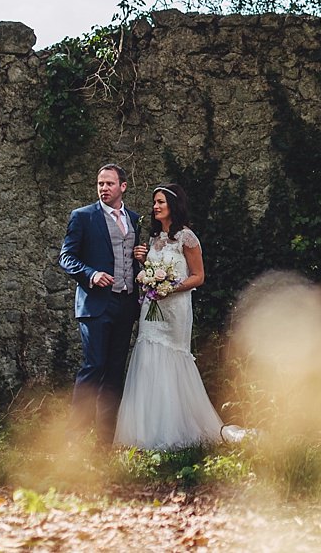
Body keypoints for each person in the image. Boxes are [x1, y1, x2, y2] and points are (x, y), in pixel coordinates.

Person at [115, 184, 225, 448]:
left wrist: (172, 288)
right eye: (154, 202)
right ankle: (145, 431)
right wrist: (144, 264)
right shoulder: (153, 239)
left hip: (175, 309)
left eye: (161, 202)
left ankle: (177, 428)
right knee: (147, 357)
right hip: (151, 309)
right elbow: (154, 270)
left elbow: (199, 276)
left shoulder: (187, 238)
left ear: (173, 206)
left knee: (171, 358)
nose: (155, 206)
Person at [58, 163, 141, 437]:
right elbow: (66, 258)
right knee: (94, 367)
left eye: (109, 184)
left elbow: (133, 260)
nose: (104, 188)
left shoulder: (134, 219)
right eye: (100, 184)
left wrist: (140, 256)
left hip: (126, 303)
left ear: (123, 187)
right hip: (95, 305)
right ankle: (76, 440)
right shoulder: (83, 217)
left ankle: (106, 440)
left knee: (116, 371)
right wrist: (91, 274)